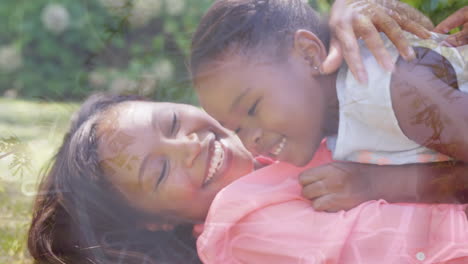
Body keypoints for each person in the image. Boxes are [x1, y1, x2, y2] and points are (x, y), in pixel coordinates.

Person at [28, 94, 468, 264]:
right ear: (155, 222)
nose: (189, 146)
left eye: (173, 121)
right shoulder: (235, 235)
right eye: (160, 170)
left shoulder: (276, 141)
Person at [190, 0, 468, 211]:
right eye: (236, 129)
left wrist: (375, 184)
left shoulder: (396, 89)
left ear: (309, 54)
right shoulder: (330, 117)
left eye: (252, 108)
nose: (252, 140)